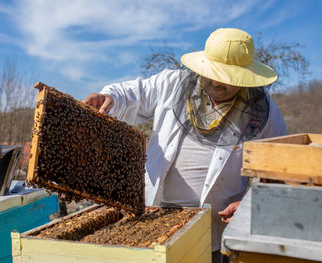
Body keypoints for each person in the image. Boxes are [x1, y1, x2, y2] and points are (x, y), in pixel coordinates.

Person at [83, 28, 287, 262]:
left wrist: (251, 203)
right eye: (212, 73)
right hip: (153, 215)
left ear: (245, 78)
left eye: (227, 77)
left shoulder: (266, 113)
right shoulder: (172, 83)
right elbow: (131, 93)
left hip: (212, 229)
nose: (215, 82)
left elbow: (279, 170)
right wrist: (109, 98)